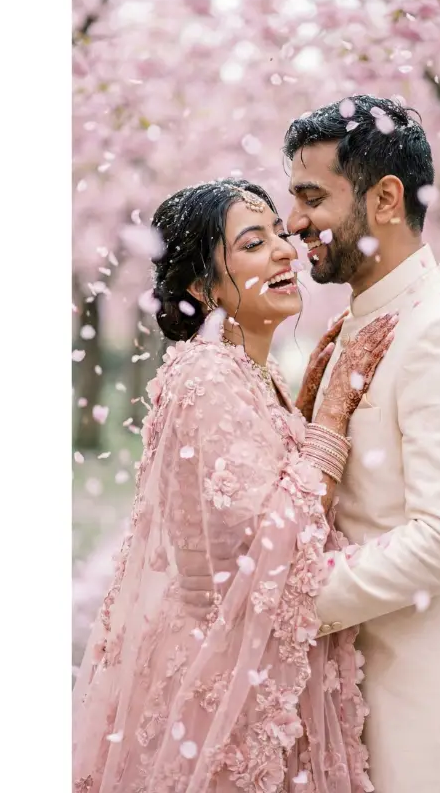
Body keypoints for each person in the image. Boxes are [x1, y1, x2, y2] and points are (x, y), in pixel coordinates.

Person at [72, 178, 397, 792]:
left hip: (256, 674)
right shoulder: (203, 374)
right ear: (202, 286)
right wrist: (330, 421)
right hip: (219, 685)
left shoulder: (254, 372)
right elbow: (261, 549)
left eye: (279, 233)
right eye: (253, 243)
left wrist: (303, 410)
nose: (284, 250)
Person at [287, 96, 440, 792]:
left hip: (420, 730)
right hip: (354, 714)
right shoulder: (361, 323)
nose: (293, 223)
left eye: (311, 197)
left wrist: (288, 599)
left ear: (385, 198)